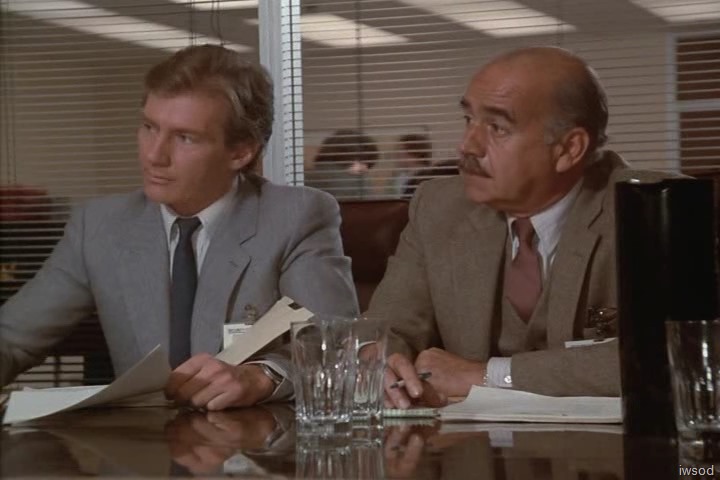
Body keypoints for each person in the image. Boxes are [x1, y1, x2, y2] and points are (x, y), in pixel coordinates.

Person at [0, 44, 358, 409]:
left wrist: (260, 377)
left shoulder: (295, 216)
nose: (154, 155)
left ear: (240, 152)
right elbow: (12, 339)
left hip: (253, 439)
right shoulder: (100, 225)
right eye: (149, 127)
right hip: (142, 438)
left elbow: (335, 346)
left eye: (185, 137)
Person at [364, 46, 673, 409]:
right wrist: (383, 361)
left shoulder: (654, 208)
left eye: (497, 127)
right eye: (468, 119)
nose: (466, 145)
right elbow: (387, 329)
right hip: (468, 441)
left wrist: (488, 375)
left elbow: (671, 354)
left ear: (568, 149)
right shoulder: (439, 207)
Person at [304, 129, 380, 200]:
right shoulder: (357, 184)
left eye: (368, 164)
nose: (365, 168)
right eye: (361, 160)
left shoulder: (305, 178)